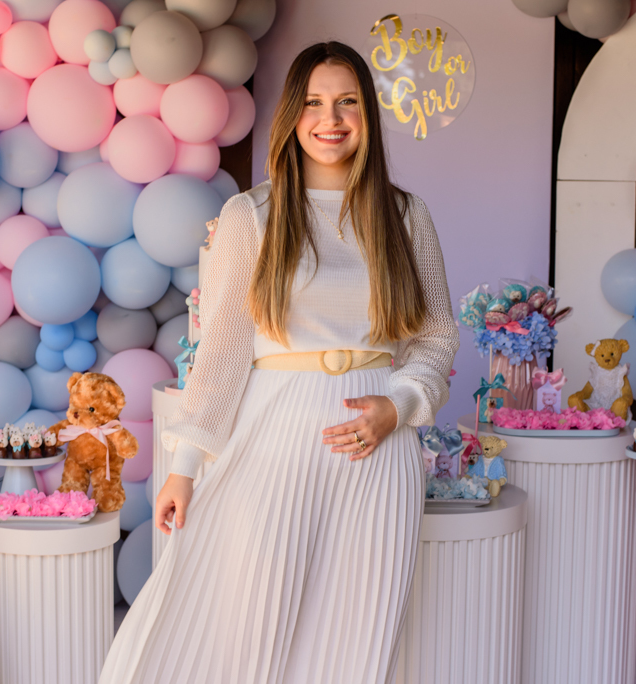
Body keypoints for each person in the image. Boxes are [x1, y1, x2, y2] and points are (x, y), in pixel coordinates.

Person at [98, 41, 458, 684]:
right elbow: (223, 348)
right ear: (292, 115)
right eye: (314, 103)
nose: (331, 119)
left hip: (380, 453)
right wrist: (184, 467)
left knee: (357, 643)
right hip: (273, 438)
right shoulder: (251, 214)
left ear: (368, 114)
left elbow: (436, 338)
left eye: (347, 102)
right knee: (247, 629)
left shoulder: (407, 216)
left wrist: (398, 406)